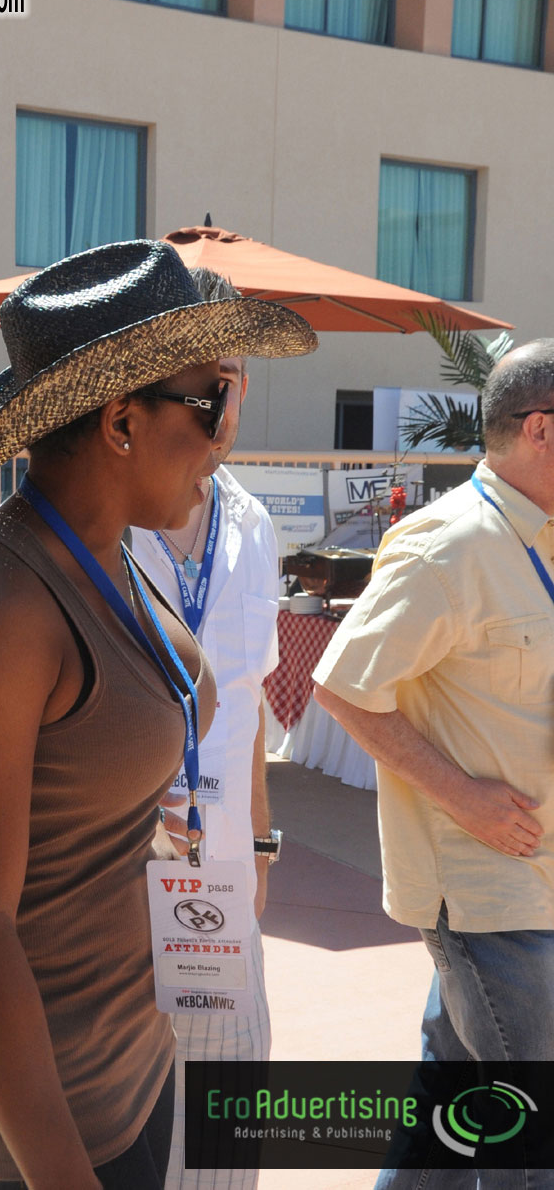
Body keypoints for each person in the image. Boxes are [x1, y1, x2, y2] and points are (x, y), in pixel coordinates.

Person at [0, 239, 317, 1190]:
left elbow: (180, 707)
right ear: (122, 421)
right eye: (210, 401)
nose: (223, 435)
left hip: (130, 1059)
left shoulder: (111, 552)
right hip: (25, 1117)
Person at [312, 341, 554, 1183]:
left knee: (449, 1127)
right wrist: (466, 798)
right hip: (488, 892)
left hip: (536, 883)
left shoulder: (545, 540)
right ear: (543, 432)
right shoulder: (443, 546)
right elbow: (342, 687)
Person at [130, 268, 282, 1190]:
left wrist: (260, 845)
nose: (220, 408)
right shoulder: (78, 535)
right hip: (101, 920)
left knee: (222, 1161)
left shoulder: (253, 524)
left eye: (230, 380)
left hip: (221, 902)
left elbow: (252, 703)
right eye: (201, 384)